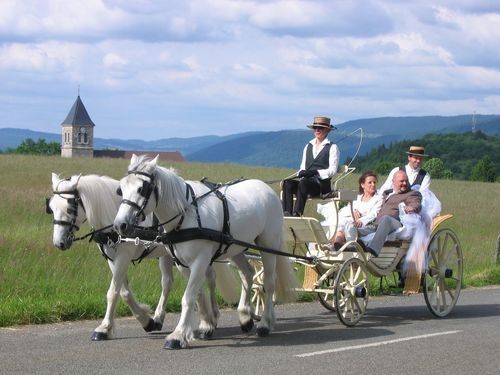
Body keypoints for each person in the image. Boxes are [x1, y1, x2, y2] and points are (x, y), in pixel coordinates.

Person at [282, 116, 339, 217]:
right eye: (315, 127)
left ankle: (297, 213)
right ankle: (286, 214)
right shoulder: (308, 146)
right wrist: (301, 172)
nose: (317, 130)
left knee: (303, 183)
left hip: (321, 185)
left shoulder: (332, 147)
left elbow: (333, 170)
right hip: (306, 184)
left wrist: (316, 172)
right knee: (287, 183)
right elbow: (303, 166)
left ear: (327, 130)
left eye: (320, 128)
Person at [359, 170, 422, 257]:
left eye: (406, 181)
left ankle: (373, 249)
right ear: (394, 182)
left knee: (386, 219)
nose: (404, 183)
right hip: (377, 224)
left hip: (395, 222)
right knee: (355, 229)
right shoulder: (386, 193)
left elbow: (416, 203)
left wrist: (412, 208)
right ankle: (351, 246)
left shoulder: (412, 193)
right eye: (401, 181)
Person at [326, 170, 382, 250]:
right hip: (351, 221)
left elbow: (373, 214)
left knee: (348, 225)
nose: (373, 185)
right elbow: (345, 210)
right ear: (363, 185)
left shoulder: (378, 198)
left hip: (366, 225)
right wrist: (354, 211)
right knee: (341, 222)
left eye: (374, 182)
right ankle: (337, 245)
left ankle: (340, 246)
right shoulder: (357, 197)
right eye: (370, 182)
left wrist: (361, 221)